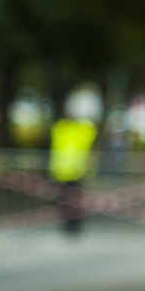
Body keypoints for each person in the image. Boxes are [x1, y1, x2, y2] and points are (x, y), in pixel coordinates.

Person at [49, 88, 100, 237]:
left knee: (74, 202)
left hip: (76, 171)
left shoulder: (73, 128)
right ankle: (68, 226)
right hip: (63, 171)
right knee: (65, 201)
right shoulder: (63, 128)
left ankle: (73, 227)